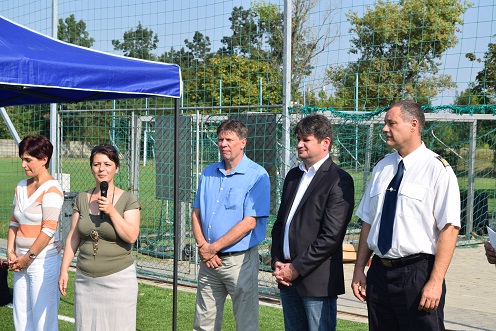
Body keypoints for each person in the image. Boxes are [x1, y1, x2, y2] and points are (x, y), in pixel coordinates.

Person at [351, 100, 460, 330]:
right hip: (379, 273)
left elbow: (449, 228)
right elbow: (369, 221)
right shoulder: (381, 167)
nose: (384, 129)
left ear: (413, 125)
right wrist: (359, 269)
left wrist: (435, 280)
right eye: (385, 123)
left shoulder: (437, 169)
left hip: (417, 275)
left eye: (391, 123)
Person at [271, 114, 355, 331]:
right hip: (287, 277)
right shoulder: (293, 176)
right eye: (298, 139)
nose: (299, 144)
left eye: (305, 140)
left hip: (317, 282)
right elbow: (280, 224)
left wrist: (296, 268)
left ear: (325, 142)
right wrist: (278, 262)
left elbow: (331, 237)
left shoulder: (338, 180)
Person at [191, 119, 270, 331]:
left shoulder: (257, 175)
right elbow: (196, 212)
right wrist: (203, 247)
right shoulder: (208, 173)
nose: (223, 144)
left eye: (229, 139)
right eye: (220, 139)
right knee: (203, 323)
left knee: (246, 323)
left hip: (239, 261)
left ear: (243, 142)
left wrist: (212, 248)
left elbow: (249, 222)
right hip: (208, 262)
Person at [58, 144, 141, 331]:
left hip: (118, 281)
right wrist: (64, 270)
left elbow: (131, 236)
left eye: (107, 164)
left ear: (116, 168)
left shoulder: (128, 200)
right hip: (85, 281)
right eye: (96, 164)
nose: (101, 169)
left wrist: (112, 211)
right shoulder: (81, 198)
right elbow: (73, 236)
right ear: (91, 168)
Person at [7, 135, 64, 330]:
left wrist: (28, 257)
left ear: (44, 159)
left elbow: (48, 230)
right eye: (22, 159)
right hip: (20, 260)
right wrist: (11, 252)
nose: (23, 164)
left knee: (43, 321)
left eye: (28, 160)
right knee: (21, 319)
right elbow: (14, 222)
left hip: (42, 262)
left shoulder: (52, 189)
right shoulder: (21, 186)